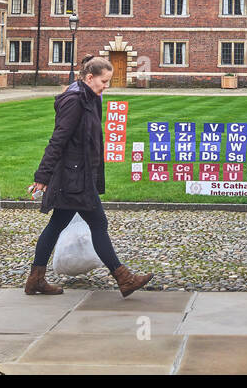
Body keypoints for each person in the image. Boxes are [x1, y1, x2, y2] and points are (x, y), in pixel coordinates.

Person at [25, 56, 152, 297]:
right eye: (103, 81)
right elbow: (58, 139)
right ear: (89, 77)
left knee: (56, 225)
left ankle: (36, 279)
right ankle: (124, 279)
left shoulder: (89, 98)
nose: (106, 86)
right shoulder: (75, 101)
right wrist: (42, 175)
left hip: (79, 175)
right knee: (98, 224)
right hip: (75, 178)